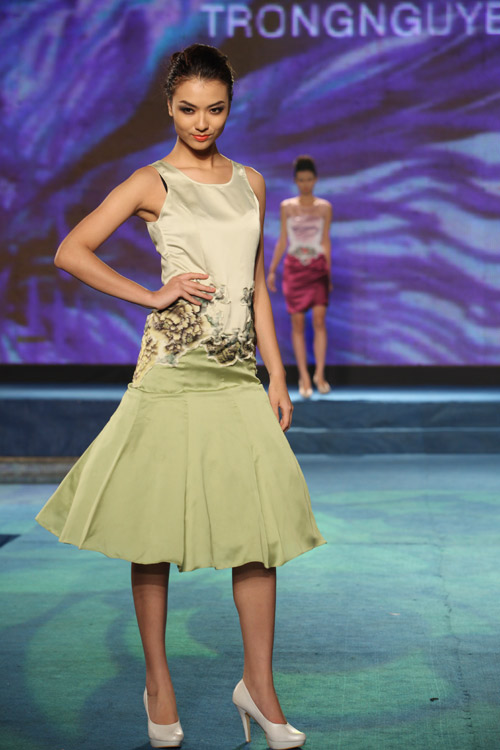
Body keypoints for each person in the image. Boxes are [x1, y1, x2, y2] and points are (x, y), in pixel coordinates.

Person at [36, 44, 325, 750]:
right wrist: (150, 294)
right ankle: (158, 684)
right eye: (189, 109)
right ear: (169, 105)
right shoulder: (150, 181)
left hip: (236, 375)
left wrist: (277, 374)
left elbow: (255, 283)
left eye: (215, 109)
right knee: (154, 528)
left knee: (258, 529)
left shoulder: (252, 183)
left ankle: (259, 688)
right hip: (172, 370)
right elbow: (71, 251)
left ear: (230, 107)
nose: (202, 122)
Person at [267, 156, 333, 398]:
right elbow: (283, 239)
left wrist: (328, 272)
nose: (305, 184)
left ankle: (320, 374)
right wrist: (272, 269)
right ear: (295, 181)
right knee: (297, 324)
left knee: (319, 320)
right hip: (294, 268)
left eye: (309, 179)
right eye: (301, 179)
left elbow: (325, 241)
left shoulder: (324, 207)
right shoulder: (287, 206)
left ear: (316, 180)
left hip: (317, 267)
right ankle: (304, 376)